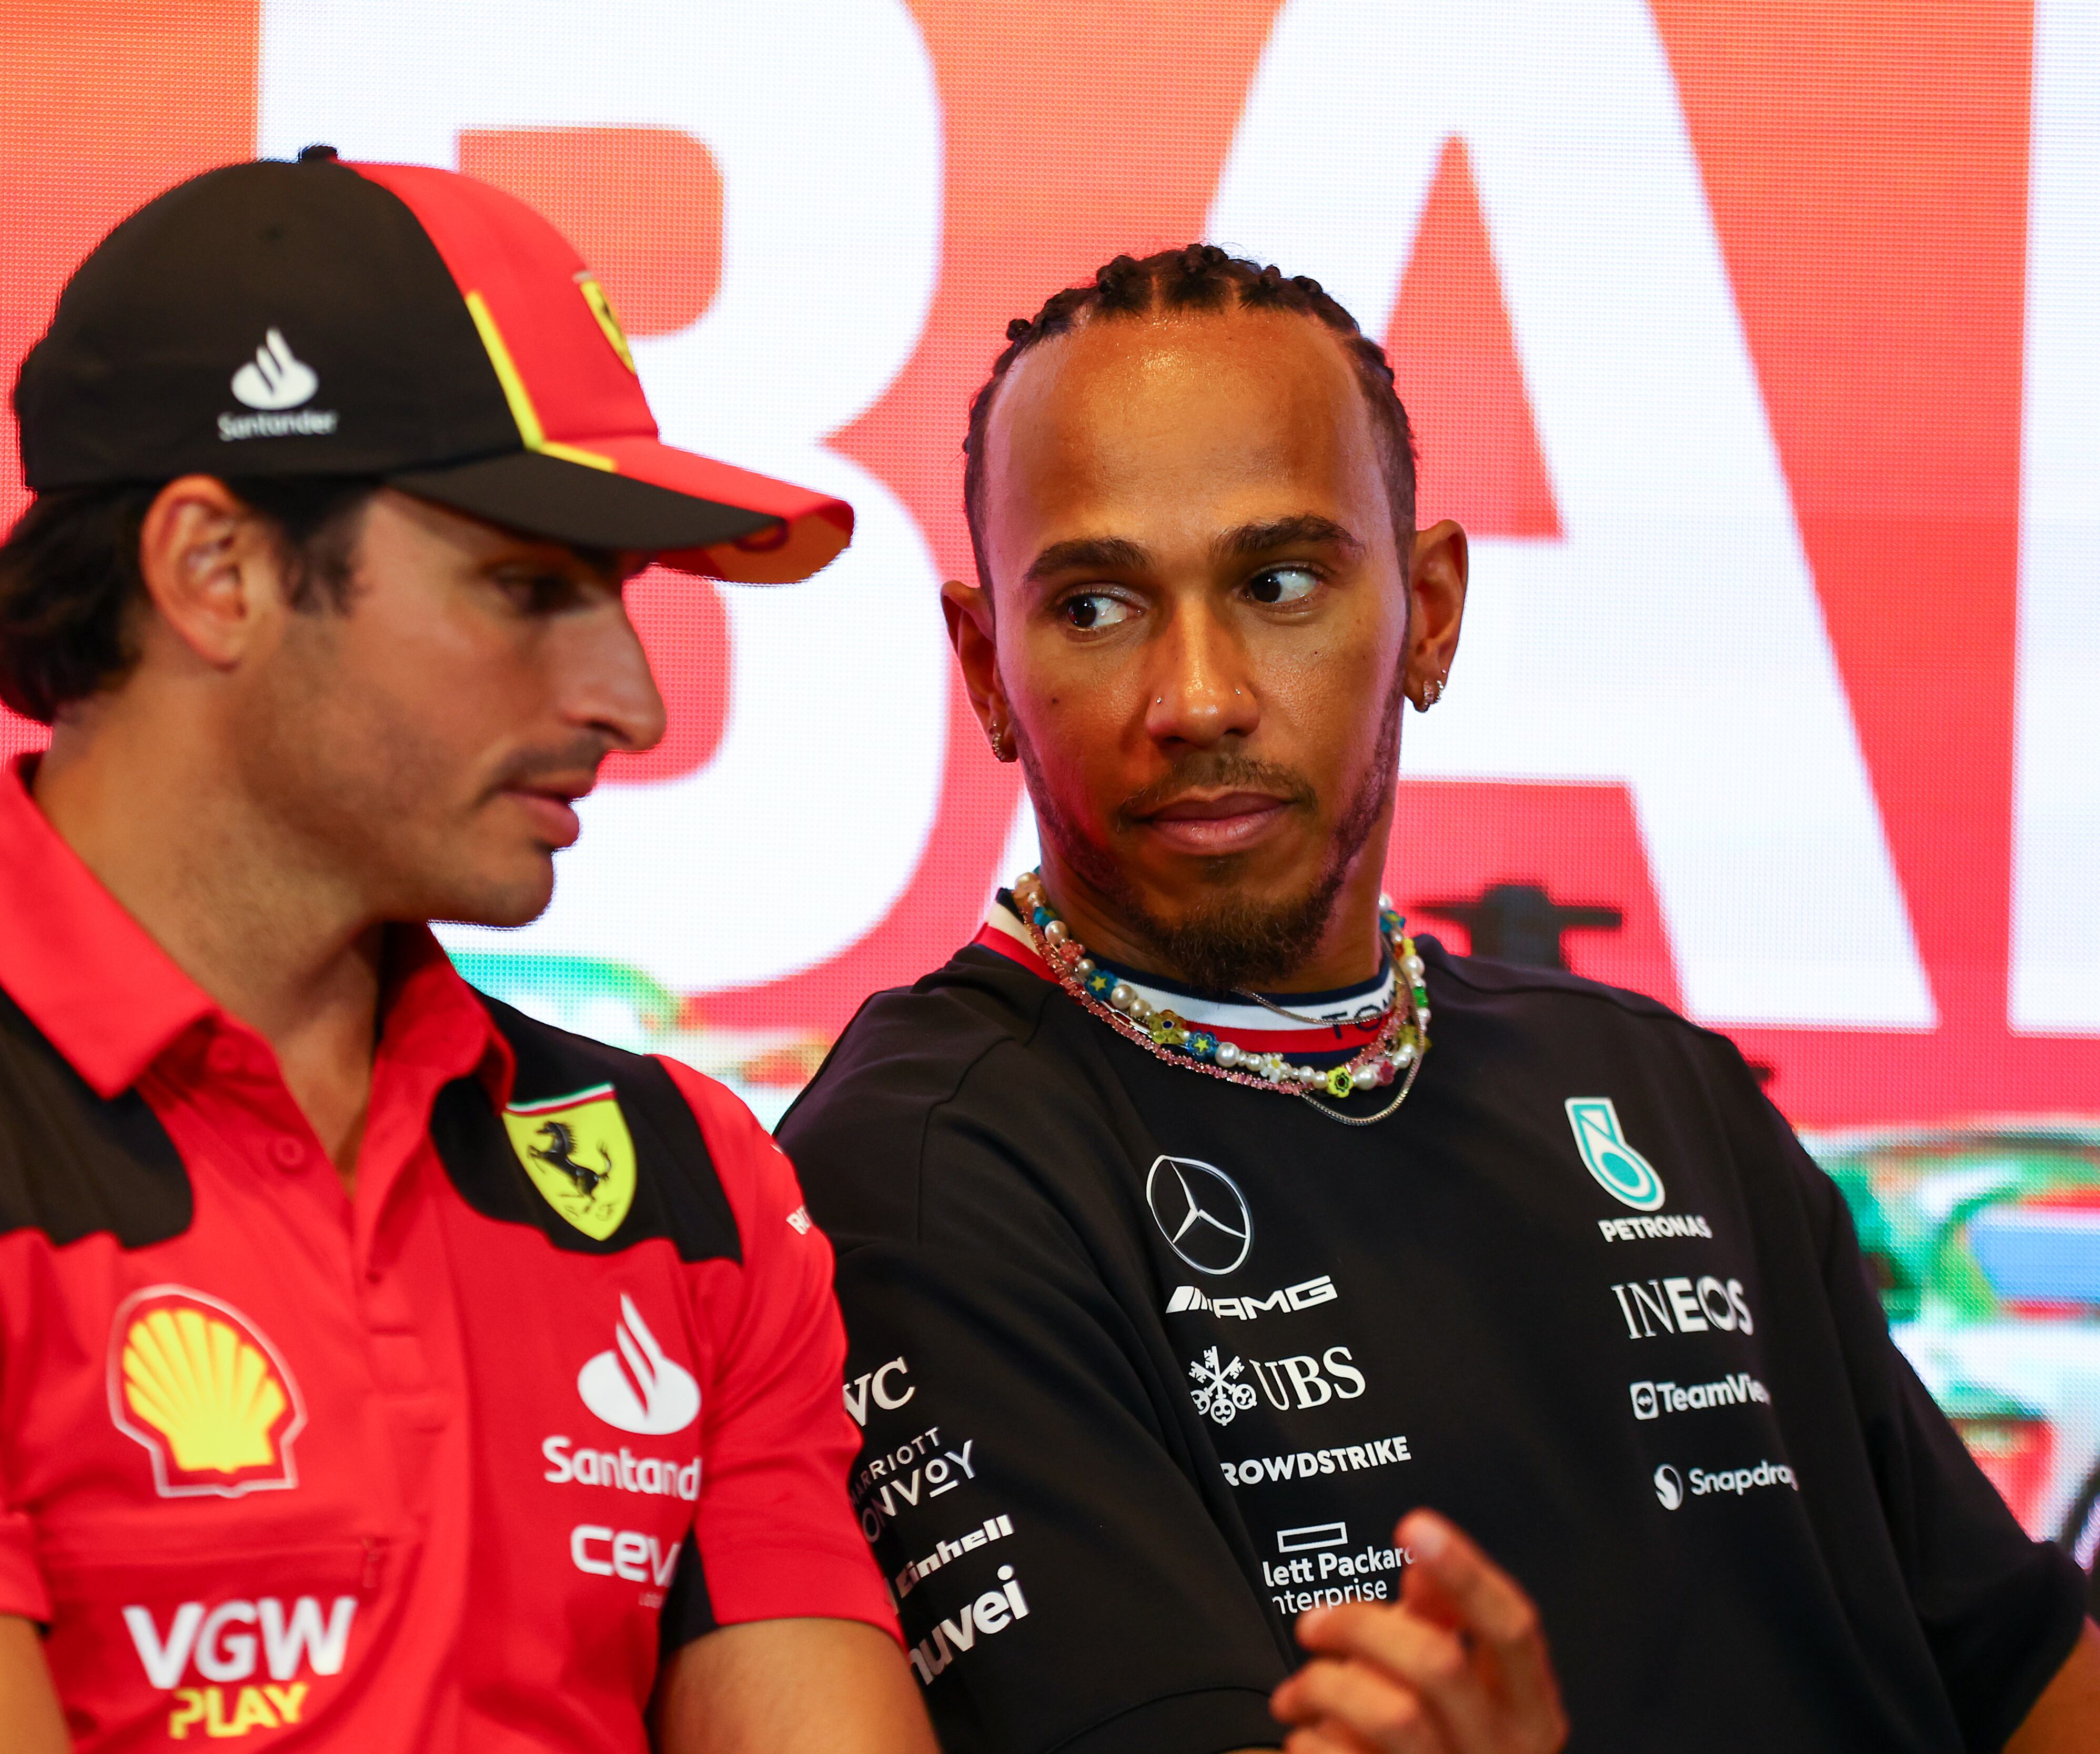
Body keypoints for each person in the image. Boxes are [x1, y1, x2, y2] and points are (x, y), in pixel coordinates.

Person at [0, 151, 932, 1754]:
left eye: (613, 594)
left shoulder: (690, 1180)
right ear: (217, 571)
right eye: (527, 587)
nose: (634, 701)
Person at [777, 244, 2100, 1752]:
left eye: (1279, 584)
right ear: (985, 667)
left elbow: (2029, 1679)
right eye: (1095, 606)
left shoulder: (1658, 1087)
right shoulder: (922, 1172)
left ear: (1432, 610)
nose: (1197, 696)